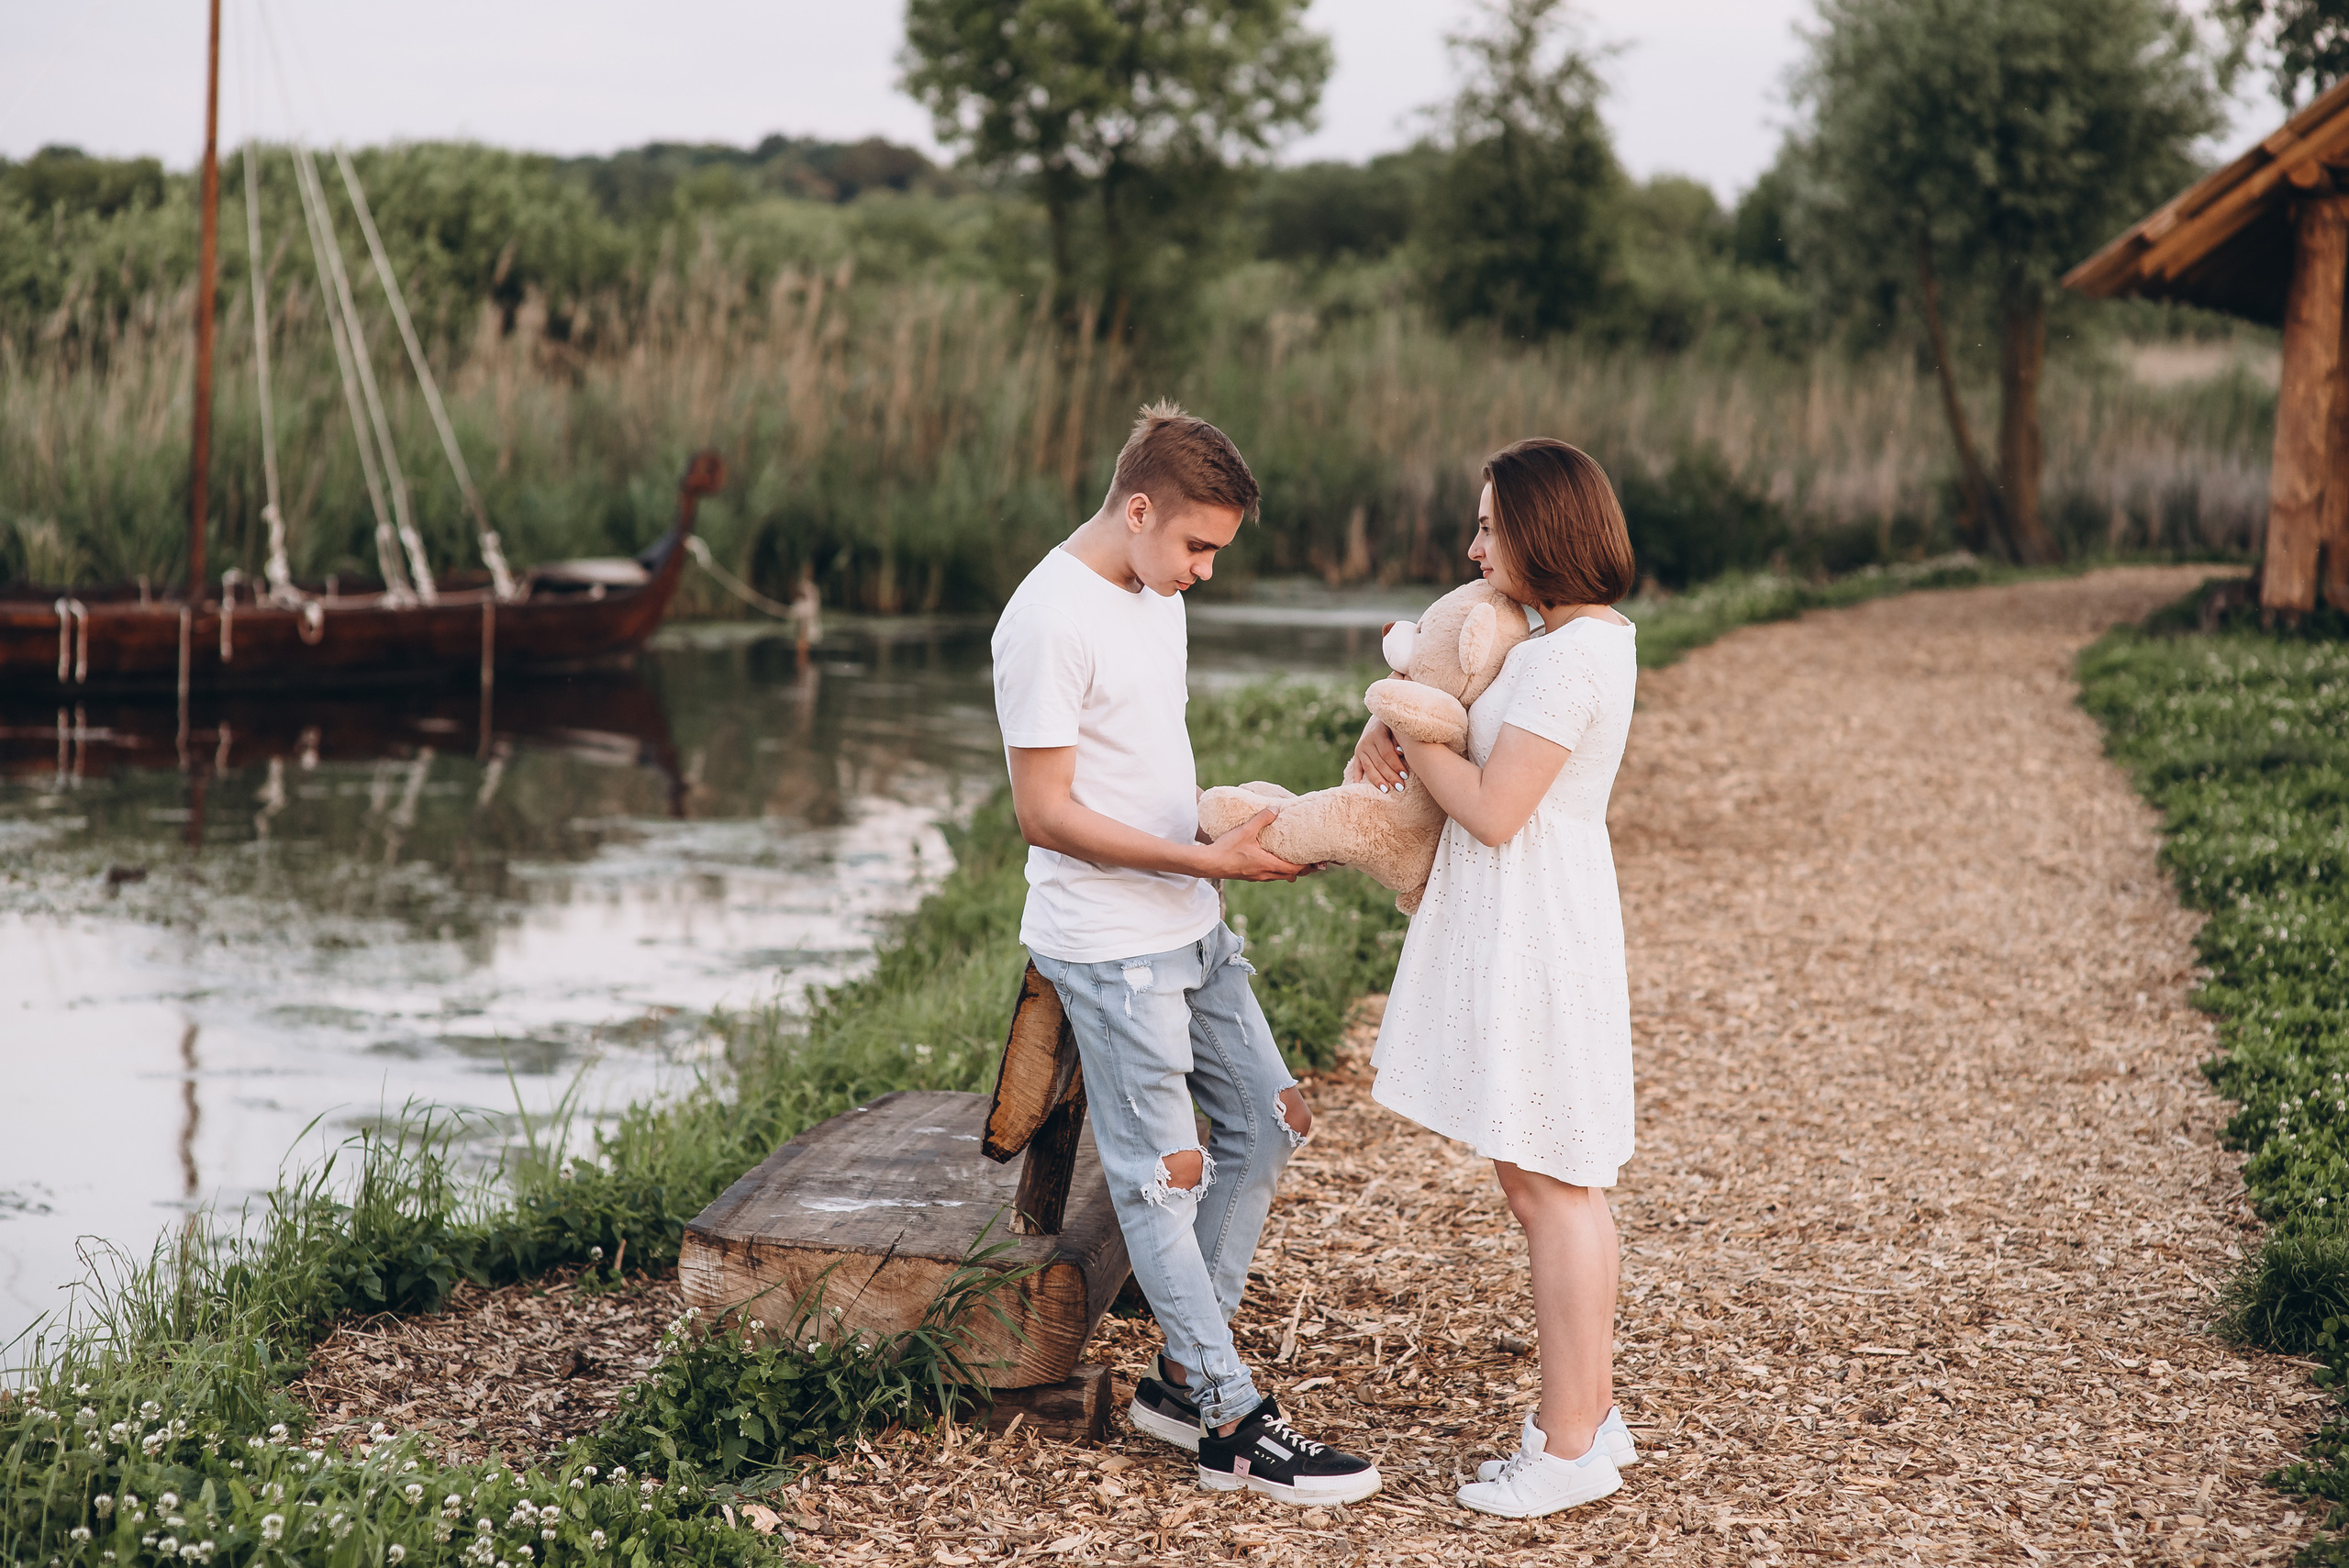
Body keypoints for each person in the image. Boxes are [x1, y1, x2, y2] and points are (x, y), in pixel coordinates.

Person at [992, 402, 1382, 1507]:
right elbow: (1043, 812)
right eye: (1198, 546)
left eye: (1219, 550)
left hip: (1190, 920)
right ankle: (1229, 1421)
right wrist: (1198, 861)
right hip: (1111, 949)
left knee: (1272, 1116)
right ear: (1140, 506)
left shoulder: (1154, 591)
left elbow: (1147, 760)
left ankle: (1174, 1379)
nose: (1206, 570)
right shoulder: (1046, 617)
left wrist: (1222, 840)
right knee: (1162, 1181)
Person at [1351, 438, 1642, 1518]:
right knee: (1544, 1178)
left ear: (1543, 533)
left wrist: (1412, 732)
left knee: (1552, 1179)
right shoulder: (1549, 638)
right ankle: (1589, 1416)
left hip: (1541, 925)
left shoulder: (1575, 656)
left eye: (1489, 527)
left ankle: (1568, 1446)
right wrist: (1400, 721)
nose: (1473, 547)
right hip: (1526, 917)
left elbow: (1492, 805)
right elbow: (1466, 707)